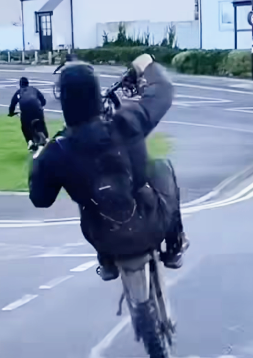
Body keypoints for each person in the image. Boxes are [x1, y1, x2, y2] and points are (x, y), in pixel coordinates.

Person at [28, 54, 189, 281]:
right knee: (162, 166)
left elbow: (40, 199)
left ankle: (105, 260)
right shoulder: (126, 122)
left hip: (103, 238)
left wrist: (36, 160)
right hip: (153, 225)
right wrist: (147, 65)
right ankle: (174, 245)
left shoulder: (57, 151)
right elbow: (163, 91)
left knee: (86, 201)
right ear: (95, 93)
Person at [8, 77, 49, 150]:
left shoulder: (19, 92)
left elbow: (12, 104)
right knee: (42, 123)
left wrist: (11, 113)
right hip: (37, 108)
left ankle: (30, 142)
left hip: (25, 110)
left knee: (25, 126)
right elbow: (43, 100)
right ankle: (47, 139)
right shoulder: (33, 89)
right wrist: (41, 105)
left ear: (20, 84)